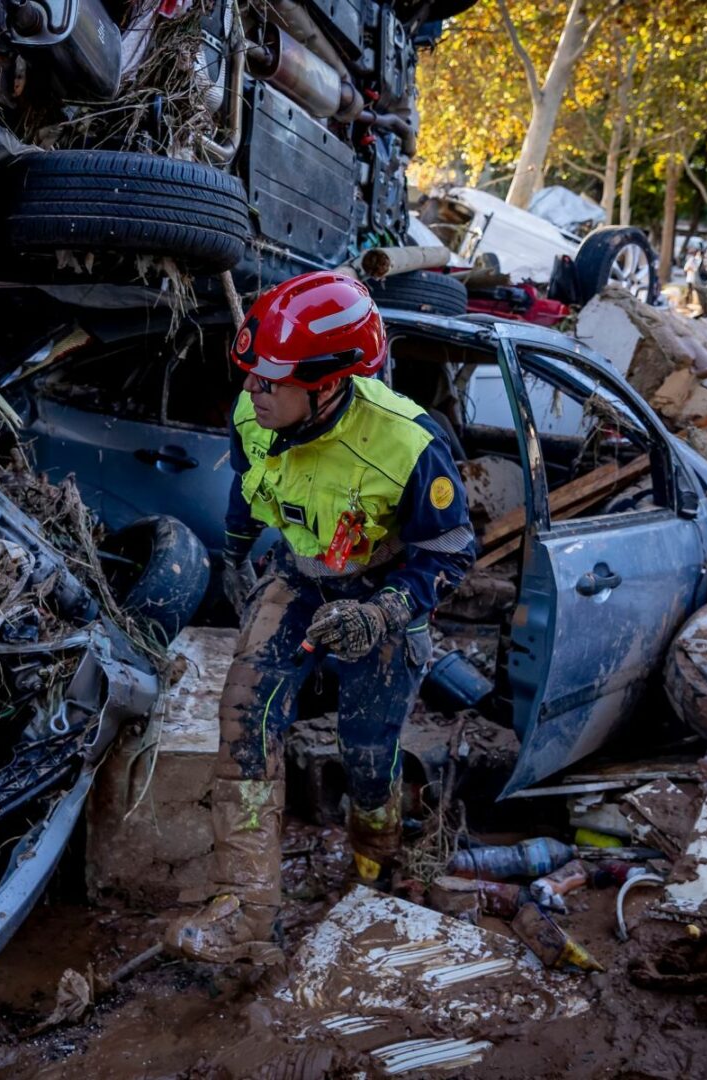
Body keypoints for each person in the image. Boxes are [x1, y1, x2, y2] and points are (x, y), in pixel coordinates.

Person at [164, 271, 474, 966]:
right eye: (249, 374)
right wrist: (237, 555)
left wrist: (383, 614)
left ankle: (375, 859)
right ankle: (244, 909)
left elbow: (451, 552)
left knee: (367, 757)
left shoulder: (408, 445)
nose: (252, 392)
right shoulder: (256, 414)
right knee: (245, 717)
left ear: (329, 383)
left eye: (270, 381)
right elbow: (251, 487)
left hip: (384, 597)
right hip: (299, 580)